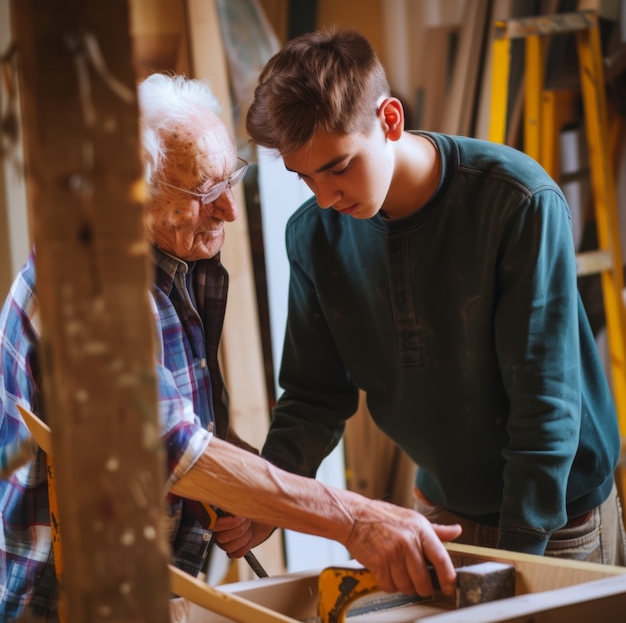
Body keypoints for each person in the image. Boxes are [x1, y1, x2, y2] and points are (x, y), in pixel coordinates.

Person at [0, 72, 461, 621]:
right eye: (202, 193)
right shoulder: (85, 289)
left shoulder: (175, 261)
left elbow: (191, 419)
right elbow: (174, 450)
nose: (229, 211)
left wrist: (245, 484)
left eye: (230, 180)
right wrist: (356, 519)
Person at [240, 29, 626, 565]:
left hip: (557, 520)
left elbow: (544, 406)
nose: (326, 198)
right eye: (305, 179)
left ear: (390, 119)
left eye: (339, 167)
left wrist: (518, 561)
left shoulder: (517, 203)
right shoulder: (313, 235)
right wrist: (265, 498)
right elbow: (313, 396)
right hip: (440, 514)